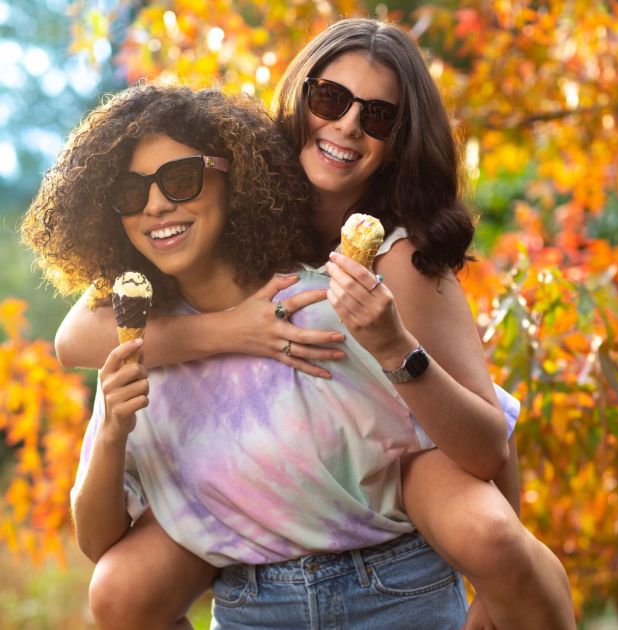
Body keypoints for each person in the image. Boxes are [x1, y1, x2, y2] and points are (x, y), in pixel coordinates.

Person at [46, 20, 575, 630]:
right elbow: (73, 338)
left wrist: (497, 582)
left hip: (385, 482)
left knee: (492, 536)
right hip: (243, 496)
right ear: (298, 99)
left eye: (379, 117)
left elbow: (488, 439)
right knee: (119, 588)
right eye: (329, 99)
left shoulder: (395, 258)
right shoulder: (223, 212)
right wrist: (235, 331)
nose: (348, 124)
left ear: (400, 142)